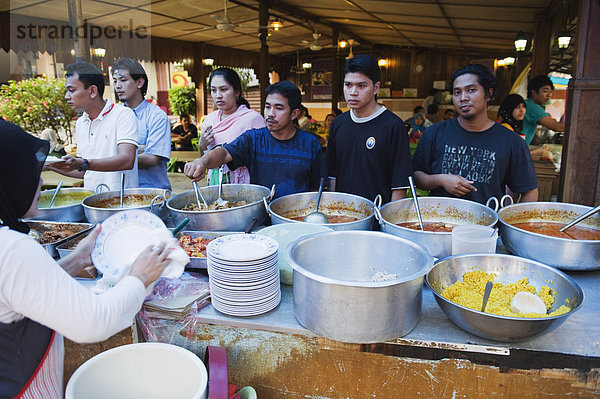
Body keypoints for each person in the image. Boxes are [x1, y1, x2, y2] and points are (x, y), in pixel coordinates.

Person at [0, 119, 169, 397]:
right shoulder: (11, 248)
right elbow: (94, 321)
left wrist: (75, 260)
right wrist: (141, 276)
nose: (41, 181)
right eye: (29, 173)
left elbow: (21, 291)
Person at [412, 64, 538, 204]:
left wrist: (508, 224)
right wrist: (441, 180)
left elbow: (529, 192)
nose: (463, 98)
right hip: (438, 221)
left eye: (471, 90)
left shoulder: (511, 141)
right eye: (457, 92)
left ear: (489, 93)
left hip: (487, 223)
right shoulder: (434, 133)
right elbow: (416, 176)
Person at [184, 81, 324, 199]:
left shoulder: (310, 144)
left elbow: (318, 187)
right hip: (260, 218)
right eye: (267, 107)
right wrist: (201, 161)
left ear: (294, 113)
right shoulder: (254, 138)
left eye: (279, 108)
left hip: (297, 218)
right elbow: (224, 153)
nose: (270, 114)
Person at [326, 54, 412, 204]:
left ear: (376, 87)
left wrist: (388, 222)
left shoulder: (393, 125)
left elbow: (399, 184)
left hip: (378, 217)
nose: (353, 92)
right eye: (348, 85)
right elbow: (332, 175)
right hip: (343, 216)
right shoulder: (338, 124)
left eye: (361, 86)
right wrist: (334, 211)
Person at [49, 62, 138, 191]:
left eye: (71, 90)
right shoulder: (81, 123)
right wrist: (50, 166)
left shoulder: (123, 115)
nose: (66, 97)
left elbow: (127, 160)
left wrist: (83, 163)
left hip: (122, 202)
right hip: (92, 202)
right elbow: (84, 172)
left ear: (92, 91)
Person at [199, 67, 266, 185]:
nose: (218, 95)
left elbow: (263, 158)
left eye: (224, 89)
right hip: (215, 182)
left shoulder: (252, 119)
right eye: (213, 90)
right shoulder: (209, 119)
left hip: (244, 183)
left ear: (237, 91)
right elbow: (204, 161)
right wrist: (201, 146)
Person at [112, 58, 171, 190]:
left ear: (139, 82)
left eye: (123, 80)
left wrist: (119, 156)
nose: (117, 86)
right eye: (115, 81)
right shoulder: (113, 115)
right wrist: (139, 149)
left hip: (152, 194)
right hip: (121, 192)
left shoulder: (156, 116)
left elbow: (151, 158)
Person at [498, 93, 554, 160]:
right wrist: (535, 152)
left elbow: (518, 152)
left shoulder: (515, 128)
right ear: (509, 109)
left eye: (523, 106)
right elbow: (510, 156)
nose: (522, 110)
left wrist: (539, 150)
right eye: (517, 107)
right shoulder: (505, 128)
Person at [522, 75, 565, 145]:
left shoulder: (528, 103)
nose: (549, 95)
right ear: (533, 92)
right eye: (545, 91)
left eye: (550, 92)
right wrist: (579, 126)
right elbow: (557, 127)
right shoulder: (532, 107)